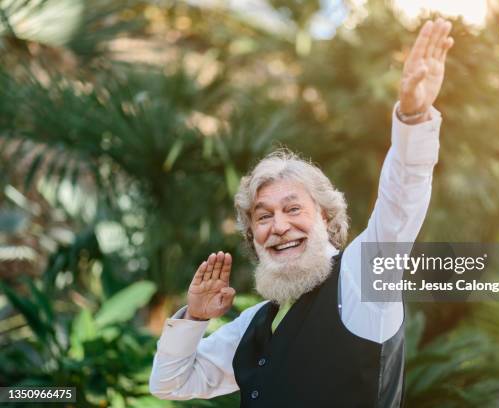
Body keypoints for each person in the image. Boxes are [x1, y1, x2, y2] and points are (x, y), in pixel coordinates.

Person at [149, 17, 453, 407]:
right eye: (263, 216)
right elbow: (170, 384)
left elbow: (402, 198)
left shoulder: (361, 283)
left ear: (325, 218)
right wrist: (193, 318)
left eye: (293, 208)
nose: (279, 226)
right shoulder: (255, 322)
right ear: (253, 237)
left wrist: (413, 116)